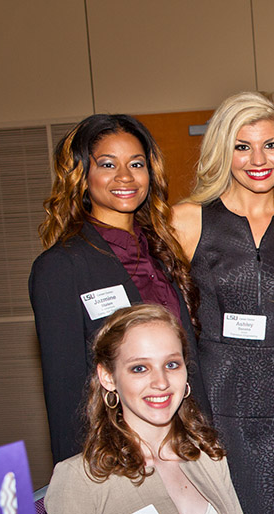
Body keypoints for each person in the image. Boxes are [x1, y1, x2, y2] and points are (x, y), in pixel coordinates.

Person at [173, 91, 274, 514]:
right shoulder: (185, 220)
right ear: (224, 151)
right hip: (216, 392)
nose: (258, 158)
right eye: (242, 146)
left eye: (271, 144)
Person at [46, 305, 247, 514]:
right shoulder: (80, 479)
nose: (161, 383)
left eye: (171, 364)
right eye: (139, 368)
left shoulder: (209, 455)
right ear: (108, 377)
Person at [30, 114, 207, 465]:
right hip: (116, 452)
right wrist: (82, 477)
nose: (125, 177)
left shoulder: (164, 250)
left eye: (136, 164)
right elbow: (65, 390)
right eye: (108, 164)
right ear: (83, 176)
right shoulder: (61, 266)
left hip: (182, 442)